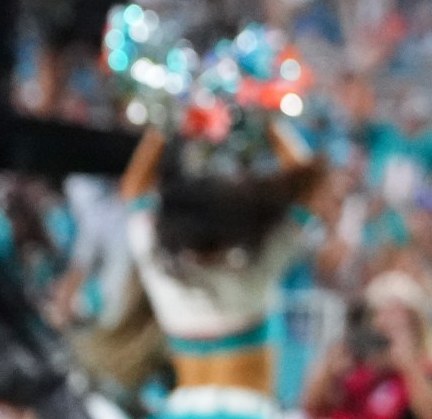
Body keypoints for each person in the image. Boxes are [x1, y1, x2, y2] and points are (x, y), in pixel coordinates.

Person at [119, 122, 323, 419]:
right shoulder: (254, 268)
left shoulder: (162, 271)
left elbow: (134, 190)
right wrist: (269, 121)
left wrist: (166, 121)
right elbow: (308, 186)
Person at [301, 272, 432, 419]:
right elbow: (312, 407)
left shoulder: (426, 369)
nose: (389, 321)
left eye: (398, 313)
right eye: (382, 312)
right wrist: (329, 372)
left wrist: (408, 367)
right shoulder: (355, 363)